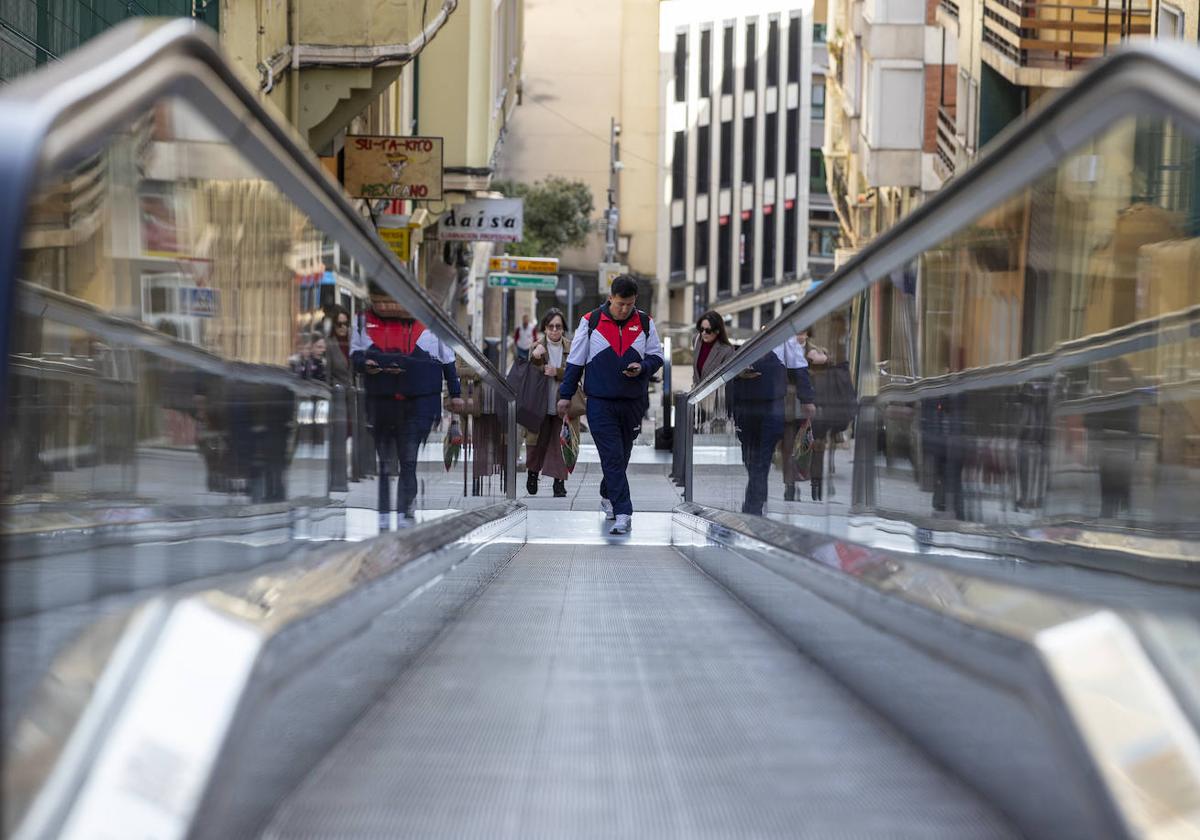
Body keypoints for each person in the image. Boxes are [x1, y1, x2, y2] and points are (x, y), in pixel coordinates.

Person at [557, 275, 663, 535]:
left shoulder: (646, 323)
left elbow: (657, 356)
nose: (625, 309)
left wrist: (643, 367)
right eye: (620, 304)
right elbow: (575, 362)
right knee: (612, 456)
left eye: (629, 304)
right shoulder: (590, 322)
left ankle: (608, 492)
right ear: (610, 298)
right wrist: (565, 395)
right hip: (600, 403)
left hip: (632, 403)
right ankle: (623, 512)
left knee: (622, 456)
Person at [352, 283, 462, 529]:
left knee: (408, 460)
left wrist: (456, 398)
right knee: (385, 462)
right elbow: (357, 356)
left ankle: (404, 508)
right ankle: (384, 512)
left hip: (417, 407)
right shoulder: (370, 325)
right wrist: (367, 363)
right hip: (383, 402)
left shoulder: (433, 329)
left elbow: (449, 367)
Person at [729, 335, 813, 516]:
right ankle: (758, 499)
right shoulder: (744, 345)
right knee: (750, 459)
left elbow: (799, 367)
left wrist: (807, 399)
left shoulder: (785, 340)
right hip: (746, 406)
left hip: (771, 406)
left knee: (762, 460)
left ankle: (753, 508)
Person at [527, 309, 582, 497]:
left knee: (562, 443)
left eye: (558, 326)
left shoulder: (572, 346)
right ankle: (532, 474)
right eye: (550, 327)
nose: (554, 330)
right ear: (544, 328)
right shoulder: (537, 347)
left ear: (563, 328)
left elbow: (577, 372)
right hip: (541, 403)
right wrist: (535, 358)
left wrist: (557, 372)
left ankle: (559, 483)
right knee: (536, 443)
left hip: (563, 403)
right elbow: (528, 375)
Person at [779, 327, 827, 501]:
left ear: (808, 334)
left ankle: (816, 484)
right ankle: (789, 485)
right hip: (790, 406)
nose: (799, 336)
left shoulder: (817, 351)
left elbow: (823, 373)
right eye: (796, 332)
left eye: (802, 332)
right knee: (788, 446)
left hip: (811, 405)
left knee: (814, 446)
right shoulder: (786, 347)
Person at [692, 310, 736, 428]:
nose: (704, 333)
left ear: (717, 331)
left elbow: (728, 381)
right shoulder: (696, 340)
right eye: (701, 329)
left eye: (708, 330)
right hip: (697, 400)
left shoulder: (726, 350)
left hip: (716, 404)